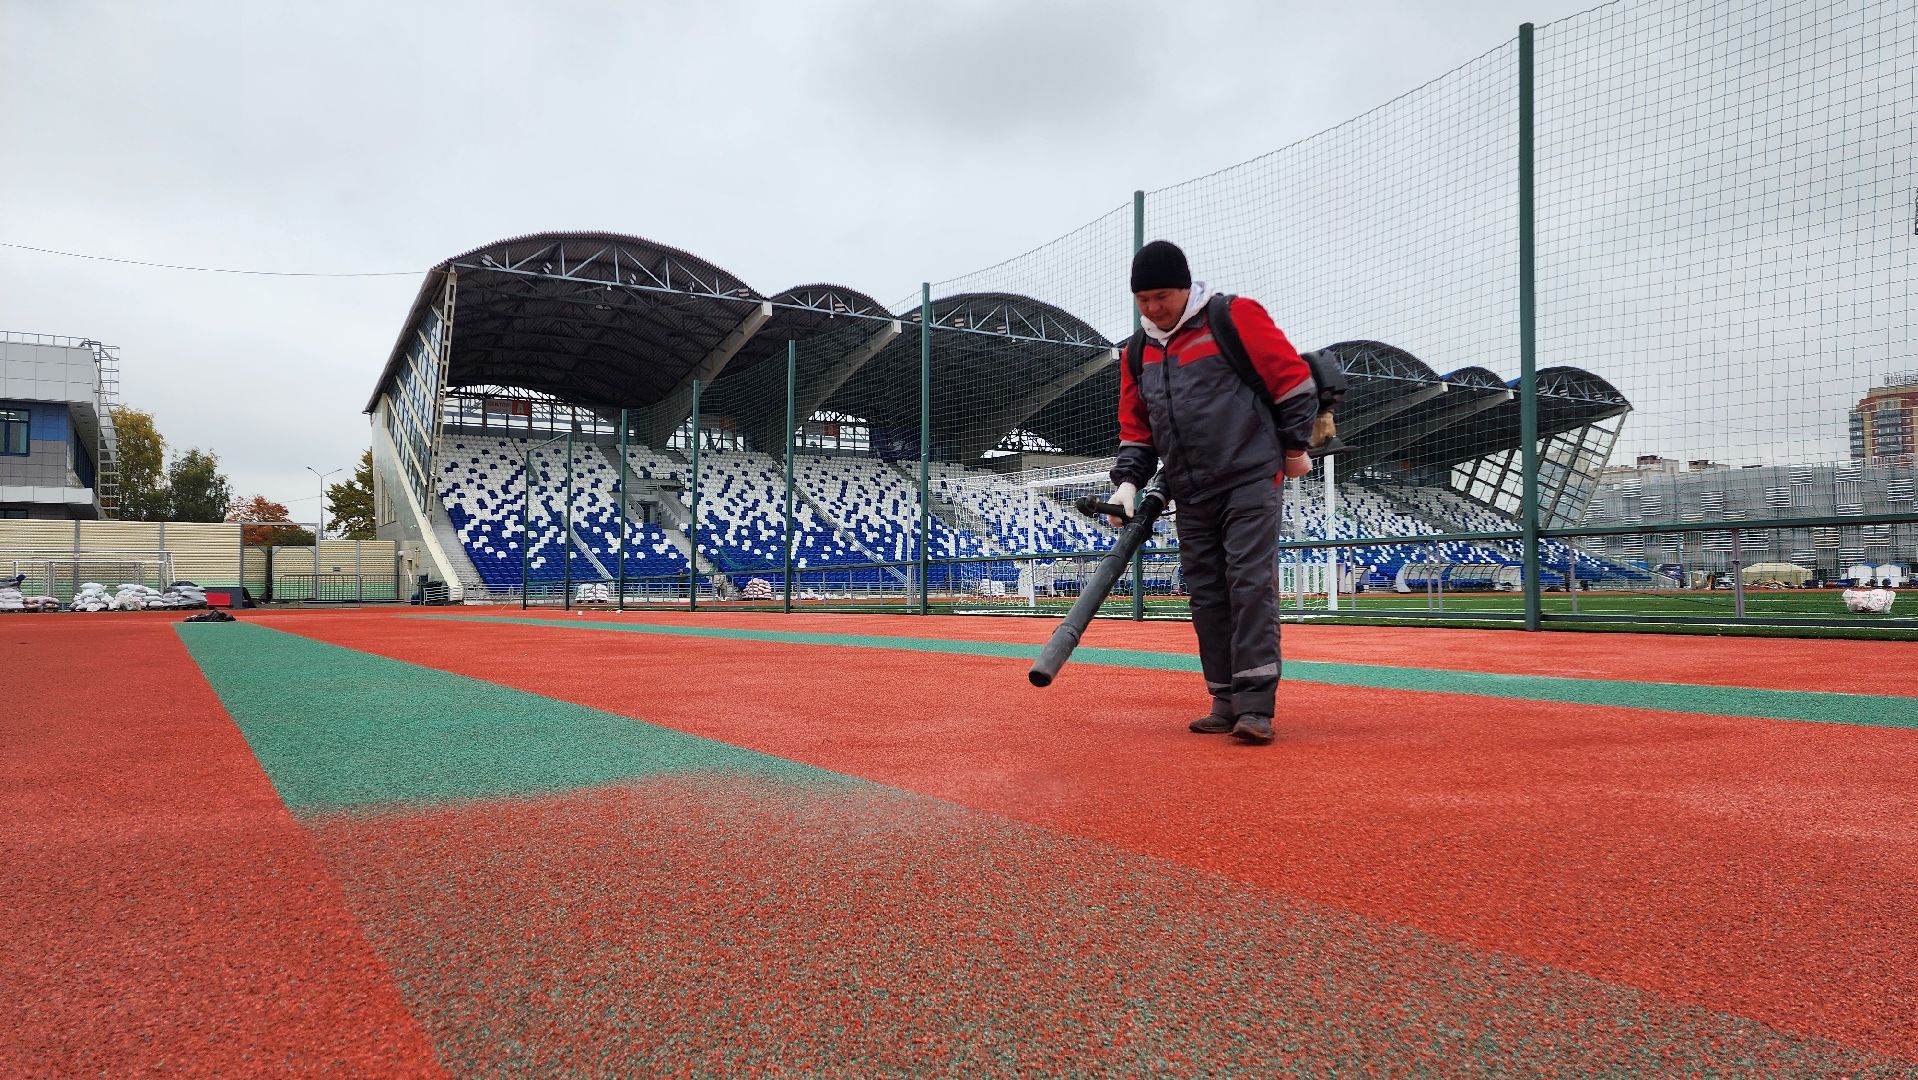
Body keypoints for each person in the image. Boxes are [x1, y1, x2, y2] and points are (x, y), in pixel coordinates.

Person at [1108, 240, 1316, 744]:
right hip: (1191, 490)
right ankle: (1224, 698)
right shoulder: (1138, 352)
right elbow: (1138, 429)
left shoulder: (1233, 317)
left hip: (1249, 475)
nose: (1154, 308)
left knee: (1248, 585)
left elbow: (1294, 385)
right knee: (1206, 594)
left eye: (1163, 296)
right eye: (1144, 299)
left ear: (1185, 288)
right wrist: (1129, 483)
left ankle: (1256, 705)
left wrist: (1291, 448)